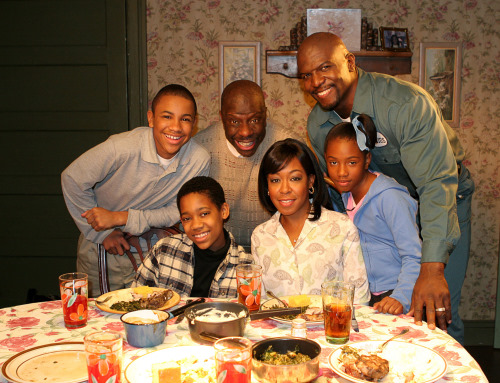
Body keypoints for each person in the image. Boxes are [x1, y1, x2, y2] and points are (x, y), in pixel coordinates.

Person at [297, 32, 475, 343]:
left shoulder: (405, 104)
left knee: (437, 309)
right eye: (306, 76)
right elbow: (342, 193)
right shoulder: (318, 124)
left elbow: (436, 183)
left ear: (350, 63)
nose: (315, 82)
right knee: (385, 313)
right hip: (383, 210)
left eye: (325, 68)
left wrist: (431, 269)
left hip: (441, 200)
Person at [62, 84, 210, 297]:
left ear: (194, 124)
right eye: (167, 117)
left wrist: (120, 218)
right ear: (151, 119)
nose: (176, 127)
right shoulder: (121, 148)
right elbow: (72, 179)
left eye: (185, 119)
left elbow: (178, 211)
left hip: (152, 250)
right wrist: (104, 233)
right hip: (101, 247)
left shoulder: (199, 160)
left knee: (152, 316)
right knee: (100, 318)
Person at [251, 138, 370, 304]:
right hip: (278, 329)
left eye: (295, 179)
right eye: (275, 180)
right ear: (267, 187)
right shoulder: (260, 235)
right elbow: (261, 302)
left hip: (331, 328)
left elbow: (358, 299)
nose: (284, 189)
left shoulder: (341, 227)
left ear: (311, 181)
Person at [324, 114, 421, 314]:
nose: (341, 172)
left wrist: (400, 297)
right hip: (367, 296)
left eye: (351, 162)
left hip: (398, 294)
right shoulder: (346, 195)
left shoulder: (391, 198)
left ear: (367, 160)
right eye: (333, 163)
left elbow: (415, 255)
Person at [193, 80, 300, 250]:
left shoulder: (288, 146)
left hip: (276, 250)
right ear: (222, 117)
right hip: (217, 250)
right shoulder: (200, 150)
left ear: (265, 115)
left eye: (254, 120)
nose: (245, 132)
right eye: (234, 122)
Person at [132, 176, 253, 298]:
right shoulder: (164, 251)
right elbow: (134, 299)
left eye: (204, 214)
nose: (196, 225)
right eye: (187, 218)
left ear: (224, 211)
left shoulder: (246, 265)